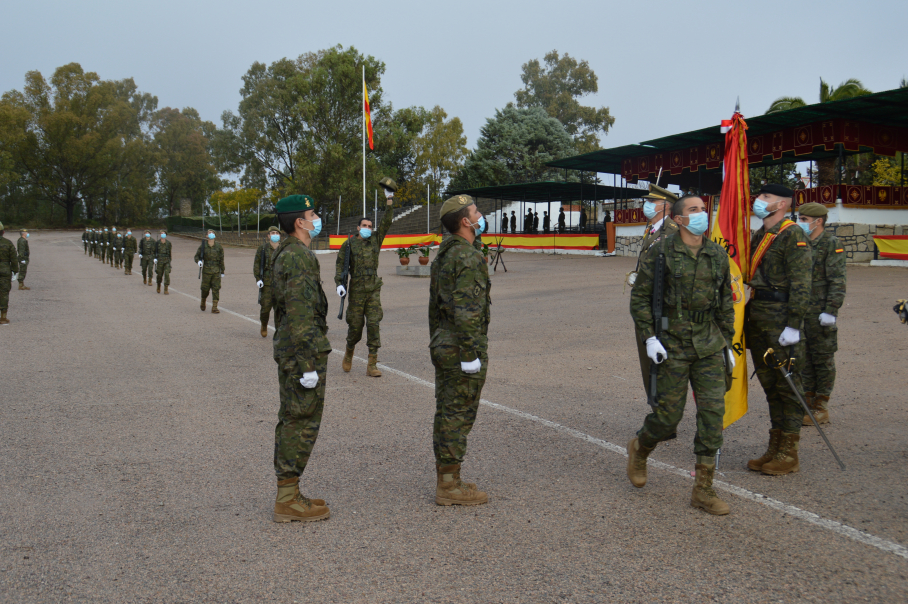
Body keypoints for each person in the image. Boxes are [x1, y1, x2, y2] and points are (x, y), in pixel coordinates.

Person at [626, 195, 735, 515]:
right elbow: (640, 299)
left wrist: (726, 343)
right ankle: (641, 447)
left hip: (709, 345)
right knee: (668, 418)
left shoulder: (717, 254)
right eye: (694, 210)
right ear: (680, 218)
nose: (702, 214)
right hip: (671, 344)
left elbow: (726, 302)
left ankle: (703, 488)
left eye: (703, 209)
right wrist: (649, 338)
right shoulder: (661, 252)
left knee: (713, 415)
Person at [270, 193, 331, 523]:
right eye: (312, 213)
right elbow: (299, 315)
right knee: (300, 421)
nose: (317, 218)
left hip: (295, 351)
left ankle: (290, 491)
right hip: (301, 354)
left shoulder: (290, 253)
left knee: (294, 419)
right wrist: (307, 365)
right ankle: (287, 500)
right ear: (299, 223)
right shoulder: (298, 258)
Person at [745, 184, 812, 476]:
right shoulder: (760, 234)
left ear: (782, 204)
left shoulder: (792, 234)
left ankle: (790, 452)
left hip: (781, 319)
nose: (759, 201)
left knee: (788, 385)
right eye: (759, 196)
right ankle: (775, 444)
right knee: (770, 384)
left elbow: (801, 283)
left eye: (766, 197)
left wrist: (795, 324)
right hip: (759, 317)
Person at [429, 194, 492, 506]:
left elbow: (435, 309)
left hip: (443, 342)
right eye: (476, 212)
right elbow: (467, 311)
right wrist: (469, 355)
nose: (480, 216)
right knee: (458, 413)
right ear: (466, 221)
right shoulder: (466, 257)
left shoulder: (446, 254)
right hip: (460, 348)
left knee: (446, 411)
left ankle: (447, 476)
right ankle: (450, 485)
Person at [335, 177, 396, 377]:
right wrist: (339, 285)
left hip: (373, 288)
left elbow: (387, 221)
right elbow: (340, 266)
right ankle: (349, 351)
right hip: (357, 289)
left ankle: (372, 364)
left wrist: (389, 200)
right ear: (358, 227)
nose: (368, 228)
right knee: (355, 326)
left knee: (373, 323)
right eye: (365, 225)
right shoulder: (349, 244)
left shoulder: (375, 240)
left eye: (370, 225)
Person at [797, 202, 846, 425]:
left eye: (805, 219)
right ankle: (807, 402)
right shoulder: (799, 242)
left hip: (820, 311)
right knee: (804, 358)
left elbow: (837, 280)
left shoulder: (831, 243)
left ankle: (821, 406)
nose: (801, 223)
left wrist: (831, 310)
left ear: (818, 221)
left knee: (823, 358)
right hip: (802, 310)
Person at [631, 184, 680, 399]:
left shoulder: (670, 231)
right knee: (646, 357)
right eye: (647, 201)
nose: (647, 205)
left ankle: (663, 414)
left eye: (652, 202)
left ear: (665, 206)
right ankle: (657, 411)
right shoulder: (652, 229)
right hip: (646, 302)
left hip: (659, 305)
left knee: (659, 361)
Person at [254, 226, 282, 337]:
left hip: (280, 283)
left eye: (277, 233)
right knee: (265, 308)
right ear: (268, 235)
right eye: (272, 233)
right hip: (267, 283)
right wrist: (258, 279)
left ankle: (278, 331)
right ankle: (264, 324)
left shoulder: (284, 248)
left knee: (279, 309)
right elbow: (257, 265)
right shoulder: (263, 248)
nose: (275, 235)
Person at [195, 229, 225, 312]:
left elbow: (221, 259)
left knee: (216, 289)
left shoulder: (218, 246)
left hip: (216, 271)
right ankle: (203, 301)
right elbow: (196, 256)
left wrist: (222, 271)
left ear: (215, 235)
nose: (211, 234)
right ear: (206, 236)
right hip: (206, 271)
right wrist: (199, 261)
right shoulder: (203, 246)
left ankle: (214, 307)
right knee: (205, 289)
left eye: (212, 233)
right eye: (209, 233)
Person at [0, 221, 19, 325]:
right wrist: (15, 271)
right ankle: (3, 317)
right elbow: (14, 259)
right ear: (3, 232)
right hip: (5, 270)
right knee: (4, 293)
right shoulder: (8, 243)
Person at [154, 229, 173, 295]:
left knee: (167, 274)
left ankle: (166, 288)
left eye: (164, 233)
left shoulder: (168, 243)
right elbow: (154, 251)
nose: (162, 234)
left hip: (166, 260)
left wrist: (170, 261)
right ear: (160, 235)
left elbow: (170, 253)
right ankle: (158, 285)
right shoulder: (157, 243)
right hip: (159, 260)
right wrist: (155, 258)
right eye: (161, 233)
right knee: (159, 274)